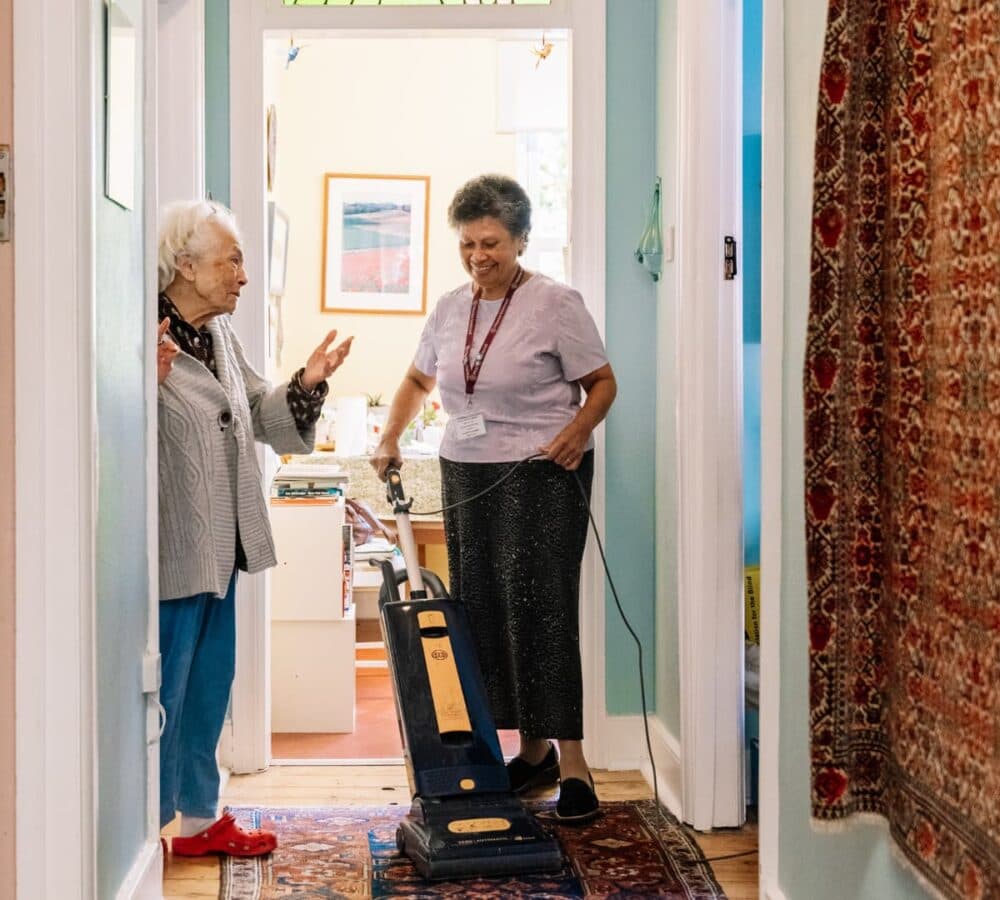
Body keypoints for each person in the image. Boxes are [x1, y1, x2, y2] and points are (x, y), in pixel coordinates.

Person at [371, 174, 616, 824]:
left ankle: (575, 764)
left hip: (541, 474)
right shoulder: (451, 308)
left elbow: (602, 383)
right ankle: (529, 752)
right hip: (467, 473)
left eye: (493, 244)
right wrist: (390, 435)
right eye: (468, 245)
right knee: (484, 607)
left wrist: (575, 434)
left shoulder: (557, 304)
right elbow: (418, 379)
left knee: (542, 606)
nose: (480, 257)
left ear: (522, 240)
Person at [156, 200, 353, 856]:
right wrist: (136, 386)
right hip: (169, 550)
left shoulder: (218, 337)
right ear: (184, 265)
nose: (243, 275)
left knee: (210, 688)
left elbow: (265, 416)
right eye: (231, 260)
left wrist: (308, 382)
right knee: (165, 696)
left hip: (223, 546)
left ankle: (197, 820)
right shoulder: (141, 337)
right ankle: (140, 831)